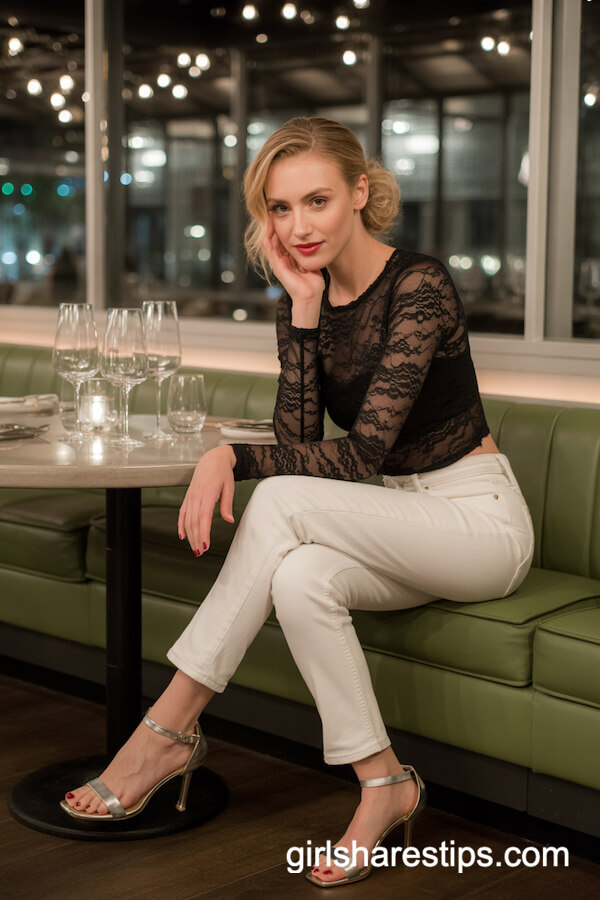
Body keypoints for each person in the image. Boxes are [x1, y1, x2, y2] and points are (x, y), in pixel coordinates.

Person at [61, 117, 534, 888]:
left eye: (316, 201)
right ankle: (385, 784)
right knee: (298, 578)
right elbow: (304, 437)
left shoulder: (420, 285)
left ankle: (168, 728)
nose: (298, 225)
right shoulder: (301, 294)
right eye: (280, 208)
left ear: (361, 193)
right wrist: (306, 312)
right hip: (402, 519)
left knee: (278, 500)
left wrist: (229, 456)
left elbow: (358, 458)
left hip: (479, 522)